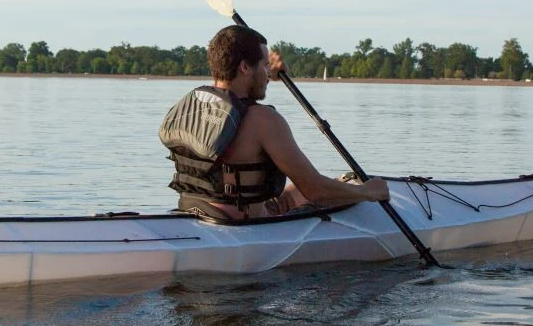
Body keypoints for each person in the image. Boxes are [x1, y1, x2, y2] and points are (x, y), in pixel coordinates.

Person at [161, 24, 390, 220]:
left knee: (303, 192)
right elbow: (316, 190)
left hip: (196, 213)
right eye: (263, 65)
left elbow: (236, 95)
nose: (268, 73)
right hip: (244, 225)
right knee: (341, 194)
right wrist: (369, 192)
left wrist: (263, 72)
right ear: (244, 67)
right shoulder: (264, 120)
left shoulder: (193, 105)